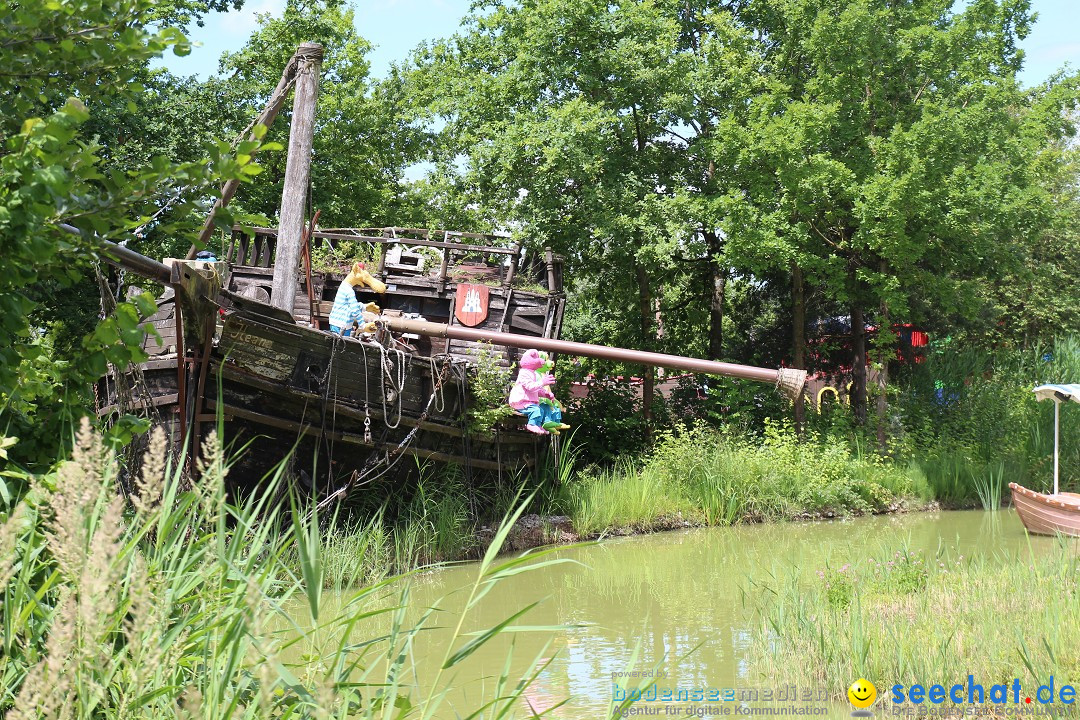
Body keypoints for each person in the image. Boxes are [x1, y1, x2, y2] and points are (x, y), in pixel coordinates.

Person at [508, 349, 571, 435]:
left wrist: (545, 394)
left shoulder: (532, 373)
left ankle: (538, 425)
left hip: (528, 402)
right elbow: (530, 387)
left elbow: (536, 389)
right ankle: (531, 424)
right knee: (536, 409)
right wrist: (543, 382)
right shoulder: (524, 373)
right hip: (520, 401)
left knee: (540, 409)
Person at [328, 262, 383, 336]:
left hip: (338, 323)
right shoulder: (349, 291)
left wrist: (364, 307)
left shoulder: (343, 287)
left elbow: (348, 306)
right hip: (341, 325)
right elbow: (355, 310)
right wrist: (363, 325)